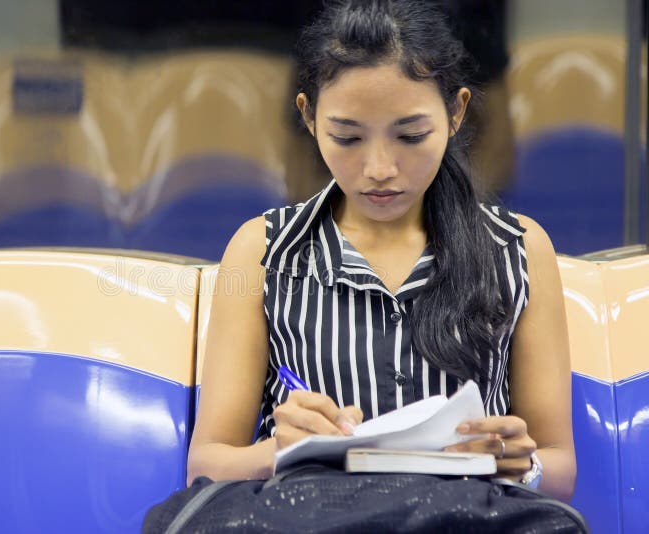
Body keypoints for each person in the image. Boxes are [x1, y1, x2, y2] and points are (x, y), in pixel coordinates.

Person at [187, 0, 576, 503]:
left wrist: (525, 465)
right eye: (347, 138)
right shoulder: (265, 251)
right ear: (308, 117)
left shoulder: (515, 248)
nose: (379, 168)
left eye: (411, 136)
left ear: (456, 112)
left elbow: (559, 469)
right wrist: (278, 451)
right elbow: (207, 462)